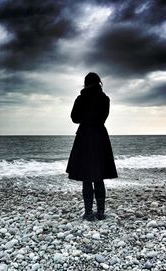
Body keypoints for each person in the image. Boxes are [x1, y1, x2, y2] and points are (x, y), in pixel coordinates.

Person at [66, 72, 118, 221]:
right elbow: (103, 117)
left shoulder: (81, 99)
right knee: (99, 176)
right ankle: (101, 212)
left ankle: (88, 213)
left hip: (84, 137)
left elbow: (74, 118)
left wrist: (85, 116)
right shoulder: (105, 99)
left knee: (86, 177)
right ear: (99, 83)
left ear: (85, 83)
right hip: (100, 137)